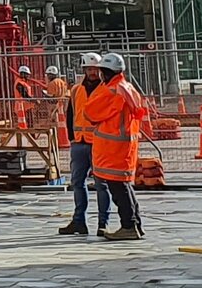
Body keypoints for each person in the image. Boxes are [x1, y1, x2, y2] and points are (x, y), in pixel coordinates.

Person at [82, 52, 145, 241]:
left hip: (112, 148)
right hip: (124, 146)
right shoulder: (127, 88)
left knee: (119, 188)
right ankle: (135, 224)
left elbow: (90, 112)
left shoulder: (111, 90)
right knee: (124, 186)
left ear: (107, 72)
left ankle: (128, 225)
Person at [58, 54, 112, 236]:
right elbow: (70, 114)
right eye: (89, 69)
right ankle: (79, 221)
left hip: (99, 143)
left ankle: (103, 223)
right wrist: (72, 137)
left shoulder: (106, 89)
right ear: (84, 70)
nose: (92, 72)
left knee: (101, 184)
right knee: (77, 183)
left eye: (95, 69)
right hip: (79, 143)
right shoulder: (75, 90)